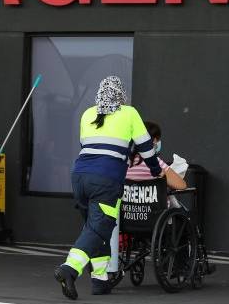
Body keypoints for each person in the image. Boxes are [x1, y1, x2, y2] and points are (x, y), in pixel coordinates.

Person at [54, 76, 161, 300]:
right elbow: (145, 146)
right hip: (106, 180)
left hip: (79, 177)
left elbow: (86, 146)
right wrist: (154, 170)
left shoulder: (87, 114)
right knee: (97, 229)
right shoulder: (129, 113)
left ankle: (100, 281)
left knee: (96, 228)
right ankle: (70, 269)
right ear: (121, 94)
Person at [126, 121, 187, 190]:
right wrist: (163, 174)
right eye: (158, 139)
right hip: (153, 201)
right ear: (154, 140)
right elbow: (181, 185)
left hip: (127, 200)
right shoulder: (154, 162)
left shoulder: (123, 161)